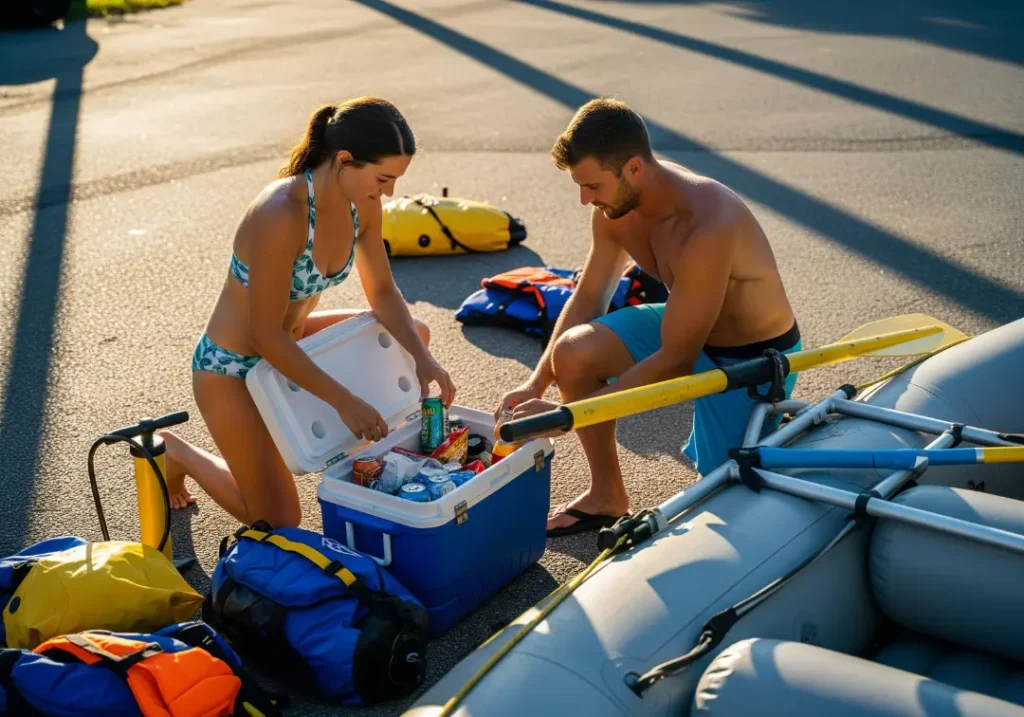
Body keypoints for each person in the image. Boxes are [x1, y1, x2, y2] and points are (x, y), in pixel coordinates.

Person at [496, 98, 801, 538]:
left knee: (726, 503)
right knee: (575, 352)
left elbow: (677, 360)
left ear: (634, 168)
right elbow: (589, 297)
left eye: (593, 186)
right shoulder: (614, 209)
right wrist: (536, 383)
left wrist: (568, 413)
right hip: (684, 324)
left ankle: (782, 429)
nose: (585, 199)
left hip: (751, 359)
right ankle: (606, 494)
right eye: (580, 187)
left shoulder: (708, 223)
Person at [159, 97, 456, 529]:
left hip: (293, 341)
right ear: (344, 161)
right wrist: (343, 401)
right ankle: (176, 453)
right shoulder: (280, 213)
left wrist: (425, 360)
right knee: (277, 522)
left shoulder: (363, 202)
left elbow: (384, 291)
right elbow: (263, 335)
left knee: (417, 336)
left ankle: (329, 443)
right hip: (234, 365)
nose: (389, 191)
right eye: (383, 178)